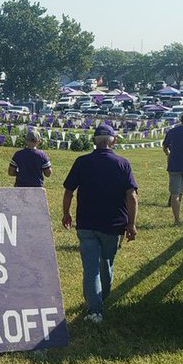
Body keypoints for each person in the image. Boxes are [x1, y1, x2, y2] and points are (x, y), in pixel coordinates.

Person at [62, 123, 139, 324]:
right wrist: (131, 224)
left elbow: (69, 191)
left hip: (87, 222)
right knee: (105, 264)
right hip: (113, 226)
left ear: (95, 140)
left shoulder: (82, 162)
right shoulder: (123, 163)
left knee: (92, 268)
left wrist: (66, 214)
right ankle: (97, 305)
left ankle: (95, 307)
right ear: (113, 140)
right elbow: (132, 197)